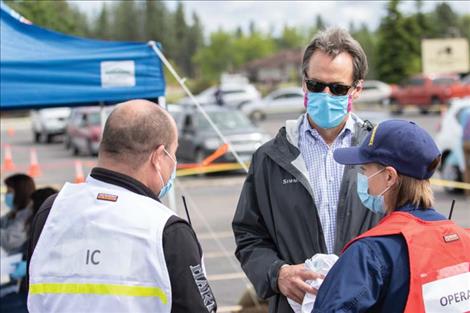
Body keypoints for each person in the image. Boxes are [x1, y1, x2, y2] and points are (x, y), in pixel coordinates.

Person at [232, 27, 382, 313]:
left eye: (337, 88)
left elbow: (404, 229)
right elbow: (248, 234)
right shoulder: (270, 158)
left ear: (357, 89)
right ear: (304, 84)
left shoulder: (380, 152)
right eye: (316, 85)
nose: (325, 94)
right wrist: (277, 274)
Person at [27, 100, 217, 313]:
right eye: (173, 155)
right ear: (157, 156)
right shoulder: (166, 229)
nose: (174, 164)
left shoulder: (52, 211)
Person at [313, 119, 470, 312]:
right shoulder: (463, 240)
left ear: (389, 177)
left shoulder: (370, 252)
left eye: (365, 170)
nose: (363, 179)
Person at [1, 173, 36, 255]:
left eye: (9, 191)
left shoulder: (27, 214)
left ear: (20, 192)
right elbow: (2, 222)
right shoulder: (16, 211)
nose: (6, 194)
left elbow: (10, 241)